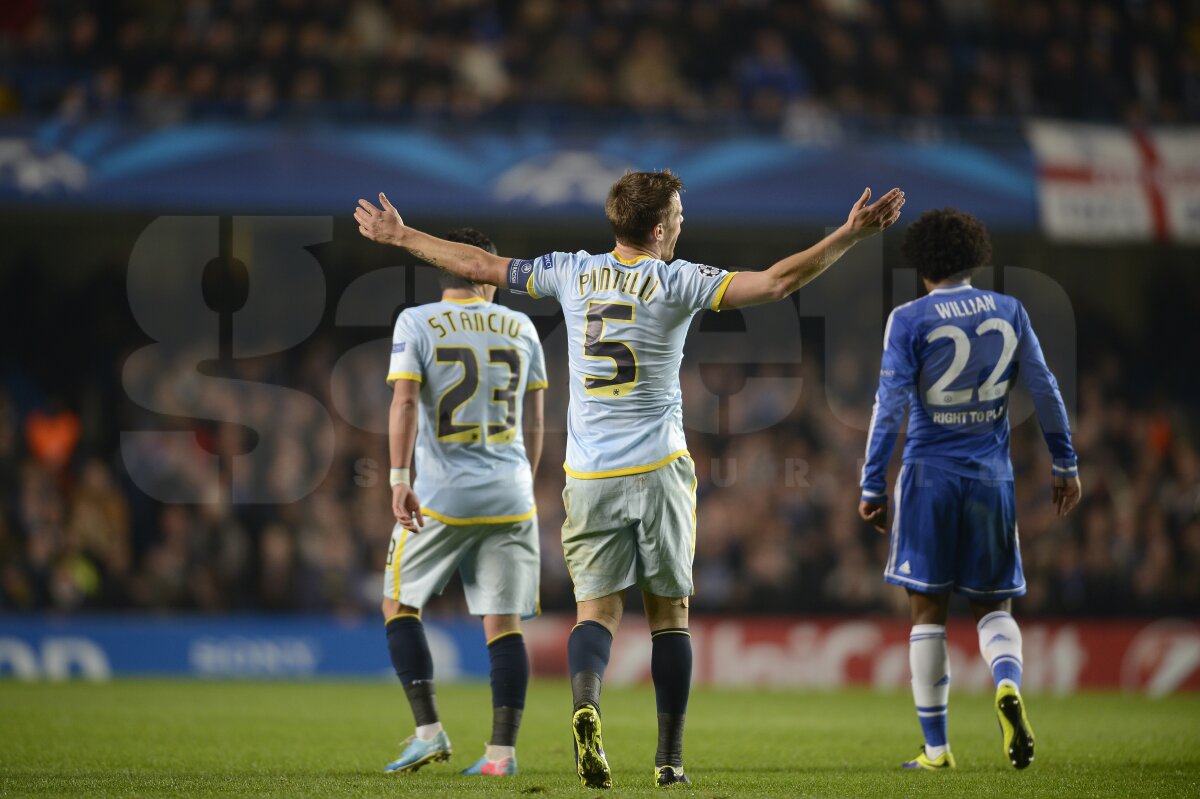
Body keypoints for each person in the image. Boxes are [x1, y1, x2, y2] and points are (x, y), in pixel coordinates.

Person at [357, 172, 904, 788]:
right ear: (656, 229)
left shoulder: (569, 271)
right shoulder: (677, 281)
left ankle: (586, 704)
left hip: (589, 476)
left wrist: (402, 236)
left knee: (596, 614)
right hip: (660, 470)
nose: (681, 225)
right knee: (670, 617)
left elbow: (479, 264)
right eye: (676, 216)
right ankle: (669, 762)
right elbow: (778, 282)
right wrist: (850, 235)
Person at [858, 208, 1082, 771]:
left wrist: (871, 485)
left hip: (929, 476)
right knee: (993, 605)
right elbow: (1046, 389)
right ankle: (1006, 685)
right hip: (991, 478)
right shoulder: (1009, 310)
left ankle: (937, 749)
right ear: (974, 254)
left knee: (927, 611)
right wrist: (1065, 463)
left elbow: (888, 409)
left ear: (922, 261)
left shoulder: (909, 319)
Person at [378, 228, 547, 778]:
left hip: (442, 496)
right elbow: (537, 418)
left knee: (399, 603)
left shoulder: (417, 321)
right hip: (511, 494)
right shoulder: (520, 326)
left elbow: (405, 402)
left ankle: (428, 732)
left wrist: (399, 478)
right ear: (485, 271)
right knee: (503, 623)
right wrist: (525, 478)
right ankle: (501, 755)